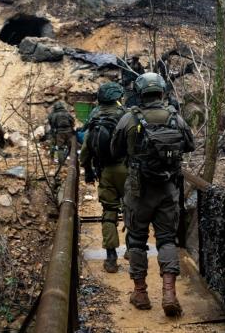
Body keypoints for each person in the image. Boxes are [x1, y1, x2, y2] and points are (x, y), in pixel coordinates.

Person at [111, 72, 195, 316]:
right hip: (168, 189)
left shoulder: (129, 118)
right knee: (167, 239)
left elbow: (114, 151)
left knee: (136, 240)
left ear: (140, 93)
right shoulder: (175, 118)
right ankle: (169, 294)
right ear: (161, 92)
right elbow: (190, 145)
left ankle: (141, 292)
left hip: (138, 190)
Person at [80, 83, 128, 272]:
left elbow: (85, 150)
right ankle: (133, 249)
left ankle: (110, 258)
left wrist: (88, 170)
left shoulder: (94, 117)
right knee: (131, 208)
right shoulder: (125, 115)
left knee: (109, 211)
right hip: (126, 169)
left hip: (105, 171)